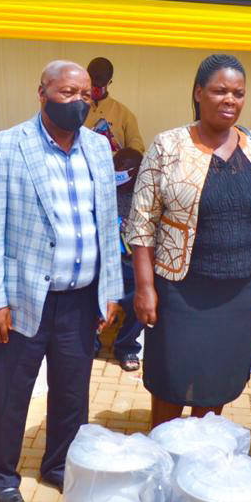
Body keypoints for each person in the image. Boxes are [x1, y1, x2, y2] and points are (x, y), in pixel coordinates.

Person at [0, 60, 122, 502]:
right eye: (67, 93)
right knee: (9, 391)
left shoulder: (98, 148)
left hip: (81, 297)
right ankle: (0, 471)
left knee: (72, 392)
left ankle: (59, 464)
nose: (79, 102)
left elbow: (106, 222)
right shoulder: (6, 146)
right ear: (42, 94)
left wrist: (110, 289)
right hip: (23, 297)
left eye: (85, 95)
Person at [127, 54, 251, 428]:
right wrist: (145, 288)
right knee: (172, 377)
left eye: (238, 93)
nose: (230, 99)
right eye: (219, 91)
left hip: (240, 292)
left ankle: (202, 451)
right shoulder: (168, 146)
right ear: (199, 93)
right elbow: (141, 224)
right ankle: (164, 447)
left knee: (218, 378)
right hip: (181, 289)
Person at [95, 147, 146, 370]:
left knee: (142, 300)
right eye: (116, 167)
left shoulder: (145, 197)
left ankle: (126, 347)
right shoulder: (102, 192)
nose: (118, 172)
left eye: (124, 169)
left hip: (132, 266)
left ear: (136, 172)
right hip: (103, 264)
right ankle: (92, 342)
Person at [85, 57, 145, 153]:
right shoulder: (76, 108)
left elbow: (137, 147)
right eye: (92, 84)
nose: (95, 89)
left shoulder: (124, 114)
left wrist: (126, 156)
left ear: (109, 83)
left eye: (99, 86)